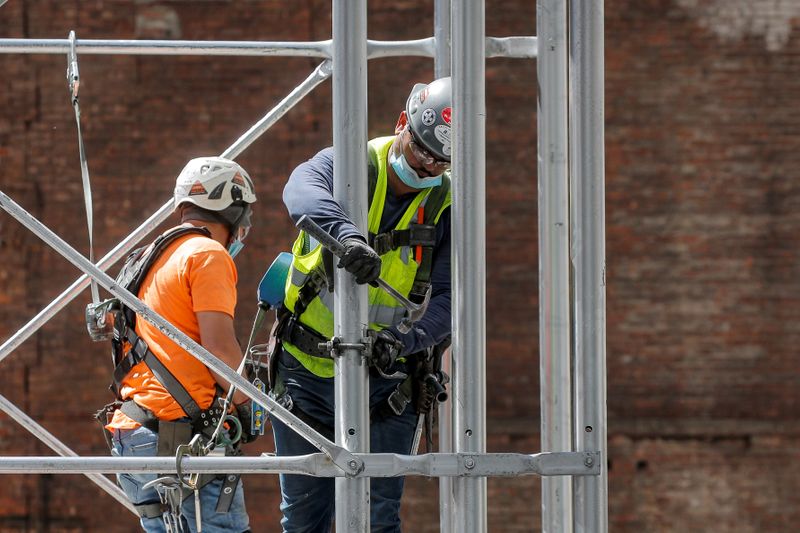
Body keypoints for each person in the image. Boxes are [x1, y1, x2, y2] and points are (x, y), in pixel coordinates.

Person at [273, 77, 453, 532]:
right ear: (402, 125)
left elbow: (454, 300)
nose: (426, 167)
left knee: (378, 516)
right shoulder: (352, 162)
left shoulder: (446, 203)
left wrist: (407, 338)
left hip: (386, 383)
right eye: (420, 151)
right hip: (305, 372)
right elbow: (300, 191)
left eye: (438, 162)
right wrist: (348, 238)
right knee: (304, 517)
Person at [104, 156, 257, 533]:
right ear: (232, 209)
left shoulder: (149, 257)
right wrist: (252, 405)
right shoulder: (206, 254)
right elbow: (219, 351)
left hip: (133, 435)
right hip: (182, 443)